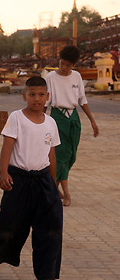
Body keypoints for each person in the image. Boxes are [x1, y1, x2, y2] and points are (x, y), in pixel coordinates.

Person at [0, 76, 71, 280]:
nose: (37, 99)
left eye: (41, 95)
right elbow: (7, 147)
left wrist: (54, 184)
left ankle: (47, 277)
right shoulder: (16, 118)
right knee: (9, 225)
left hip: (44, 181)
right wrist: (3, 173)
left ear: (48, 97)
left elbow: (52, 156)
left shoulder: (51, 123)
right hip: (18, 179)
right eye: (32, 95)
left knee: (51, 227)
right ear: (24, 96)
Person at [46, 45, 99, 206]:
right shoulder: (50, 77)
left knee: (71, 156)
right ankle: (64, 193)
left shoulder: (76, 76)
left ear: (73, 65)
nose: (63, 68)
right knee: (60, 155)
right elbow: (45, 101)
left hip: (74, 118)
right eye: (62, 63)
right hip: (57, 116)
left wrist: (92, 121)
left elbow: (82, 100)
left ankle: (56, 188)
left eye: (68, 65)